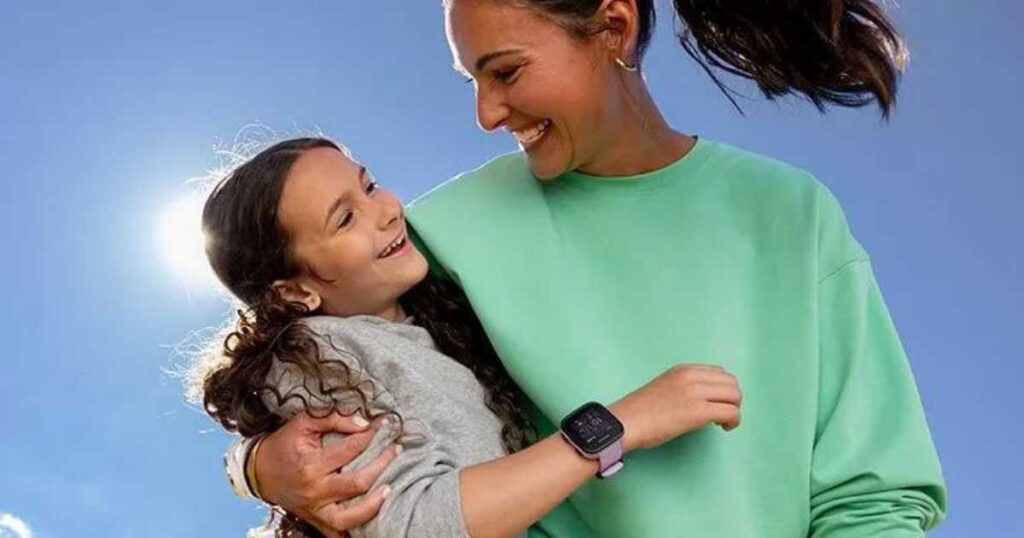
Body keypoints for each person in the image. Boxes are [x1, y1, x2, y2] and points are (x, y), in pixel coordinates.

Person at [225, 0, 947, 536]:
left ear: (613, 27)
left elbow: (875, 495)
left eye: (505, 71)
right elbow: (303, 345)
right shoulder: (440, 234)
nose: (485, 113)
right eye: (471, 79)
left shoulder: (789, 213)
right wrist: (259, 467)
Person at [196, 137, 744, 537]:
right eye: (345, 219)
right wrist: (621, 425)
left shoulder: (425, 308)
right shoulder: (318, 352)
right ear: (295, 294)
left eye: (367, 185)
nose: (386, 210)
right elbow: (411, 522)